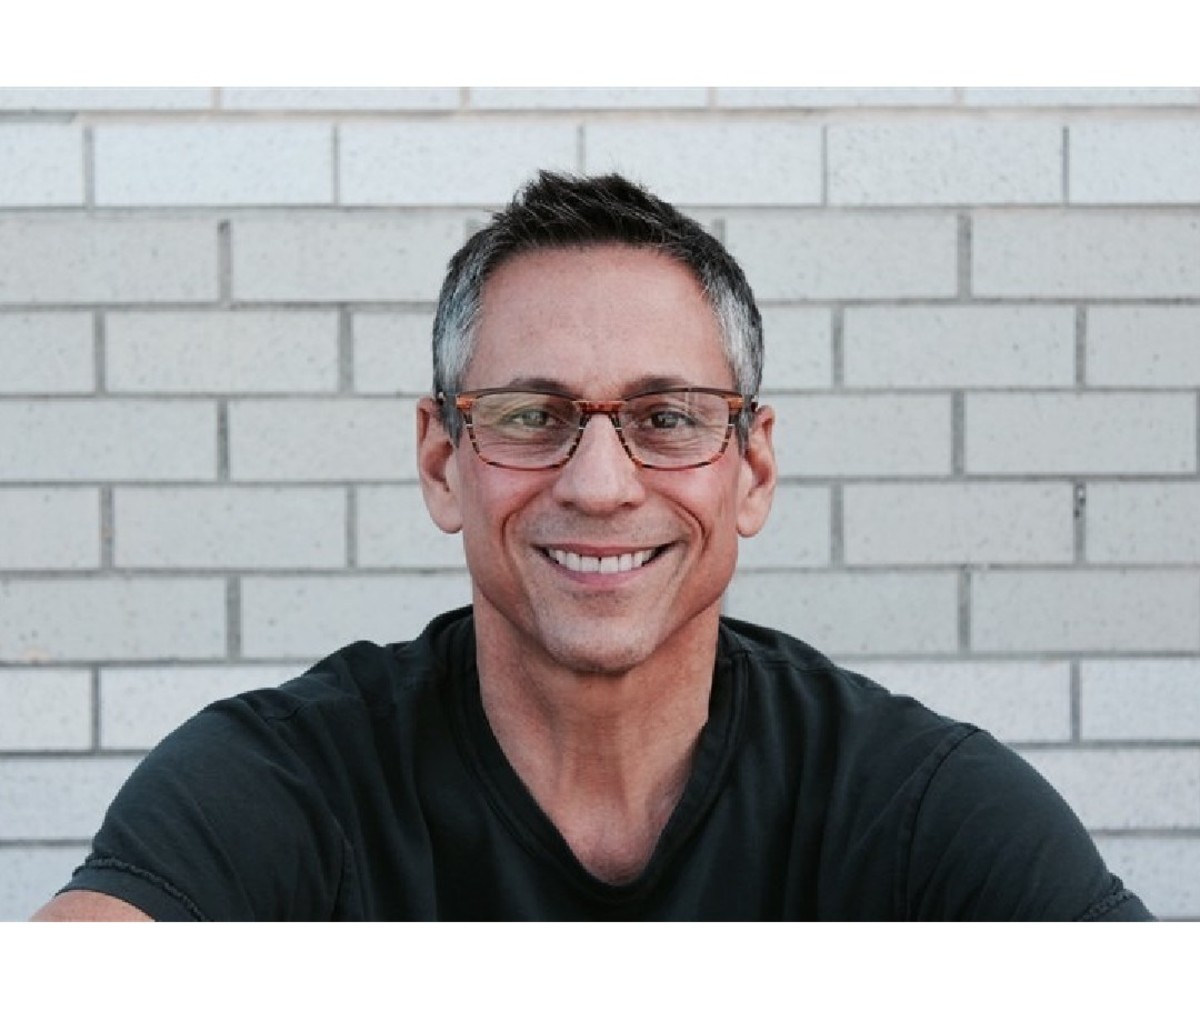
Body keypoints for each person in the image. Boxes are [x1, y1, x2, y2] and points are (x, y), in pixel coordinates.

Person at [34, 171, 1151, 921]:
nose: (601, 484)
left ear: (750, 467)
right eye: (531, 415)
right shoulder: (287, 784)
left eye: (669, 417)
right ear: (441, 460)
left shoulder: (907, 804)